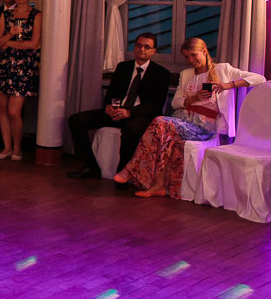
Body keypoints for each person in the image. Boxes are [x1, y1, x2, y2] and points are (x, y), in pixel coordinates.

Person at [114, 38, 265, 198]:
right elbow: (176, 102)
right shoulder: (186, 74)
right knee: (163, 136)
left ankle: (130, 169)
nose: (190, 60)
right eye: (187, 57)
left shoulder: (223, 69)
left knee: (160, 122)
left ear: (204, 51)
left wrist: (227, 85)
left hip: (206, 126)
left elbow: (259, 78)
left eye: (193, 55)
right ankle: (158, 185)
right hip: (184, 120)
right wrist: (194, 98)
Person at [67, 33, 170, 180]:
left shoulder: (161, 73)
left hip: (140, 115)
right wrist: (108, 106)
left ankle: (122, 172)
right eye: (139, 45)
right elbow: (111, 94)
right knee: (76, 120)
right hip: (117, 111)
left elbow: (155, 105)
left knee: (131, 129)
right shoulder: (123, 67)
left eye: (147, 47)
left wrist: (129, 112)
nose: (142, 49)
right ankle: (91, 166)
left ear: (153, 51)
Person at [0, 0, 41, 161]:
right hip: (4, 66)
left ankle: (18, 147)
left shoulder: (36, 15)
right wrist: (10, 35)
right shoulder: (6, 15)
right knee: (2, 108)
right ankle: (7, 147)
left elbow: (33, 44)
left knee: (14, 111)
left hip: (23, 67)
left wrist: (9, 43)